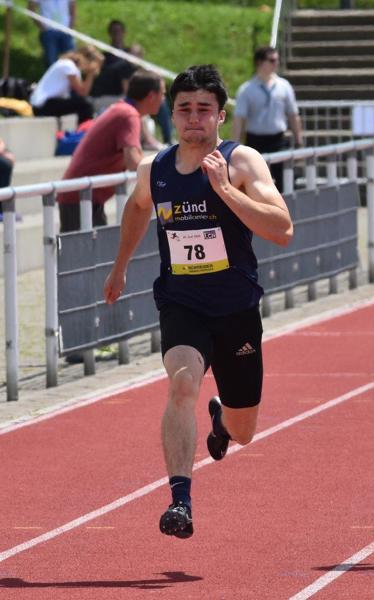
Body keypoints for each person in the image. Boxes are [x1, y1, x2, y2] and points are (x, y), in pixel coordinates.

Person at [102, 65, 293, 539]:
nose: (193, 118)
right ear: (172, 115)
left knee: (244, 430)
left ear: (220, 116)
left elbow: (282, 229)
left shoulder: (242, 161)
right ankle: (180, 501)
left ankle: (221, 421)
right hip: (182, 303)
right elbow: (137, 207)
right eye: (184, 109)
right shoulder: (155, 170)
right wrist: (120, 265)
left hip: (235, 308)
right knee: (182, 384)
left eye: (203, 109)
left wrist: (225, 189)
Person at [57, 70, 165, 232]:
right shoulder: (128, 115)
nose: (163, 99)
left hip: (84, 197)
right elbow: (133, 162)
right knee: (85, 249)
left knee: (99, 247)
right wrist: (166, 169)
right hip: (81, 198)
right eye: (162, 94)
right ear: (151, 96)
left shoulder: (124, 110)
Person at [232, 46, 303, 188]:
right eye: (272, 60)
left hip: (278, 140)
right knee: (256, 183)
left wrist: (299, 140)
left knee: (285, 181)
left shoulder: (284, 86)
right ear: (259, 62)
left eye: (277, 60)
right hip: (255, 141)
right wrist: (233, 147)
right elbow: (239, 120)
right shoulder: (246, 89)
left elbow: (293, 114)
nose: (276, 63)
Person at [30, 45, 102, 125]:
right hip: (42, 106)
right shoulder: (68, 66)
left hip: (45, 104)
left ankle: (84, 129)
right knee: (85, 104)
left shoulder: (67, 64)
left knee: (83, 103)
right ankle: (85, 130)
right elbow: (83, 93)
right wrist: (90, 73)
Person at [29, 0, 76, 67]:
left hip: (65, 31)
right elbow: (31, 9)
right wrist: (43, 28)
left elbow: (73, 9)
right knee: (51, 61)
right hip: (49, 32)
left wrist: (70, 28)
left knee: (72, 60)